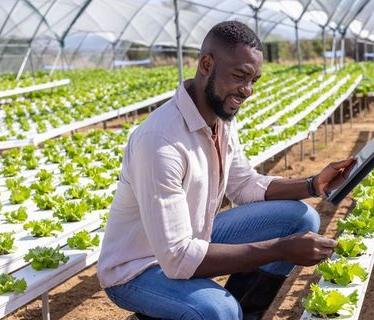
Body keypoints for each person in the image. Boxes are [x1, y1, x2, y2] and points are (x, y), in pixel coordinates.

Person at [97, 21, 355, 320]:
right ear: (206, 64)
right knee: (217, 310)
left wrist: (312, 184)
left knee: (301, 218)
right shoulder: (160, 141)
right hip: (138, 269)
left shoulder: (221, 120)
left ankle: (242, 316)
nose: (247, 90)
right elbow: (178, 259)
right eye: (239, 76)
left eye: (254, 80)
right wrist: (280, 249)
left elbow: (244, 185)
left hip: (193, 239)